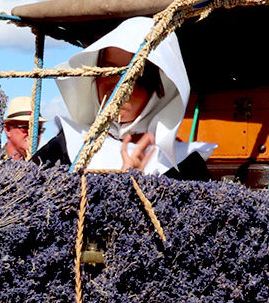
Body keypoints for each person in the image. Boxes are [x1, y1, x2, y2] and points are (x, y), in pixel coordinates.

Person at [33, 16, 214, 180]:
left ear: (159, 89)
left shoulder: (185, 165)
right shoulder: (68, 145)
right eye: (108, 71)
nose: (117, 85)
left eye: (133, 75)